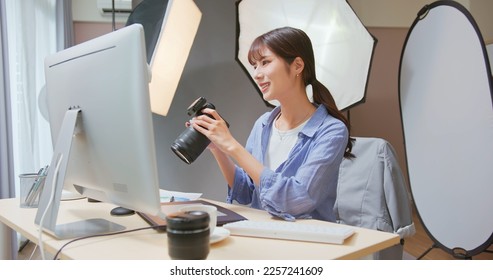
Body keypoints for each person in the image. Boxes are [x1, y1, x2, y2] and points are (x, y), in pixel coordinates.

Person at [191, 26, 353, 222]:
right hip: (264, 234)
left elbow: (296, 199)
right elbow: (246, 192)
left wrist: (232, 146)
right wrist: (219, 150)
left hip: (308, 243)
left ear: (297, 66)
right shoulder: (263, 124)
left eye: (265, 62)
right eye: (255, 66)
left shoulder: (331, 131)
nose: (257, 74)